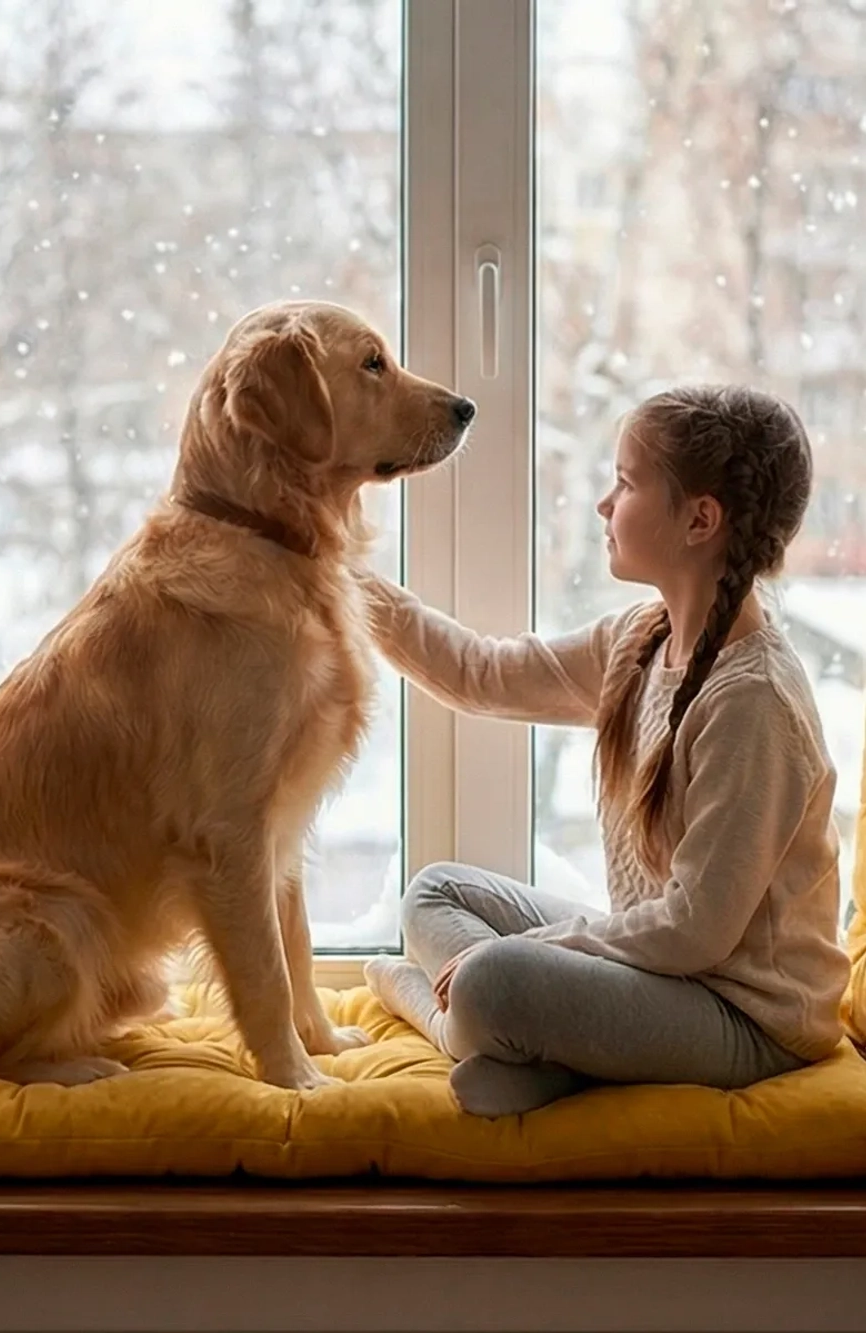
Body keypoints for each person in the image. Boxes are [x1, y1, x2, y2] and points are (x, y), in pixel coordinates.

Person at [361, 384, 851, 1119]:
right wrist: (347, 580)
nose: (602, 504)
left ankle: (450, 1021)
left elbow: (695, 931)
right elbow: (480, 673)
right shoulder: (639, 640)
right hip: (667, 980)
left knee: (494, 980)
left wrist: (551, 951)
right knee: (436, 892)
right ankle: (543, 1056)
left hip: (748, 1019)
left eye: (624, 482)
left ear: (700, 519)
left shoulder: (753, 702)